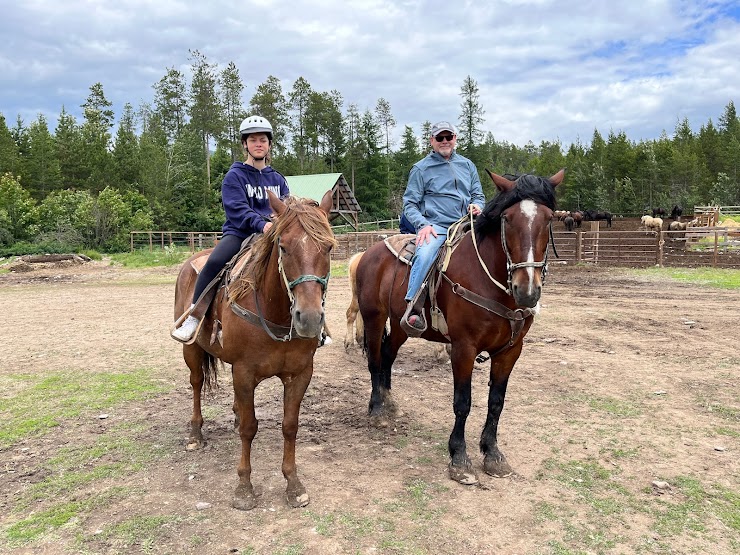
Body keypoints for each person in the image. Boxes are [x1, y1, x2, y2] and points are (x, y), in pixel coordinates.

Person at [171, 115, 289, 342]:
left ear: (269, 144)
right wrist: (262, 224)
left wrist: (278, 226)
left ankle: (315, 325)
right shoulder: (234, 176)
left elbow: (286, 208)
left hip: (272, 235)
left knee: (302, 266)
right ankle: (194, 317)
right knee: (214, 262)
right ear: (245, 144)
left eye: (262, 140)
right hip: (240, 233)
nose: (258, 144)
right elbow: (238, 210)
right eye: (253, 139)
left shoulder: (279, 179)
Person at [401, 121, 486, 332]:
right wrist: (423, 225)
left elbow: (478, 194)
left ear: (455, 139)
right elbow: (409, 204)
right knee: (425, 253)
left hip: (466, 224)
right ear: (432, 141)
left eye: (449, 137)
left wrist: (478, 205)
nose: (445, 141)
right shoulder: (421, 169)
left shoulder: (467, 165)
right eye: (440, 138)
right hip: (437, 226)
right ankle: (413, 307)